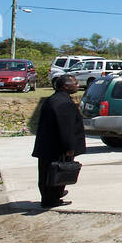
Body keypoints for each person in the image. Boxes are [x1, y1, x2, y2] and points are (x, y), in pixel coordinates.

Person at [32, 73, 85, 208]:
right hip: (58, 147)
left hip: (48, 146)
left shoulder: (53, 99)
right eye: (75, 83)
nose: (78, 85)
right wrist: (69, 147)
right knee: (57, 172)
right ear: (66, 86)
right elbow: (65, 128)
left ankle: (51, 196)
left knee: (47, 173)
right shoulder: (64, 103)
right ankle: (52, 199)